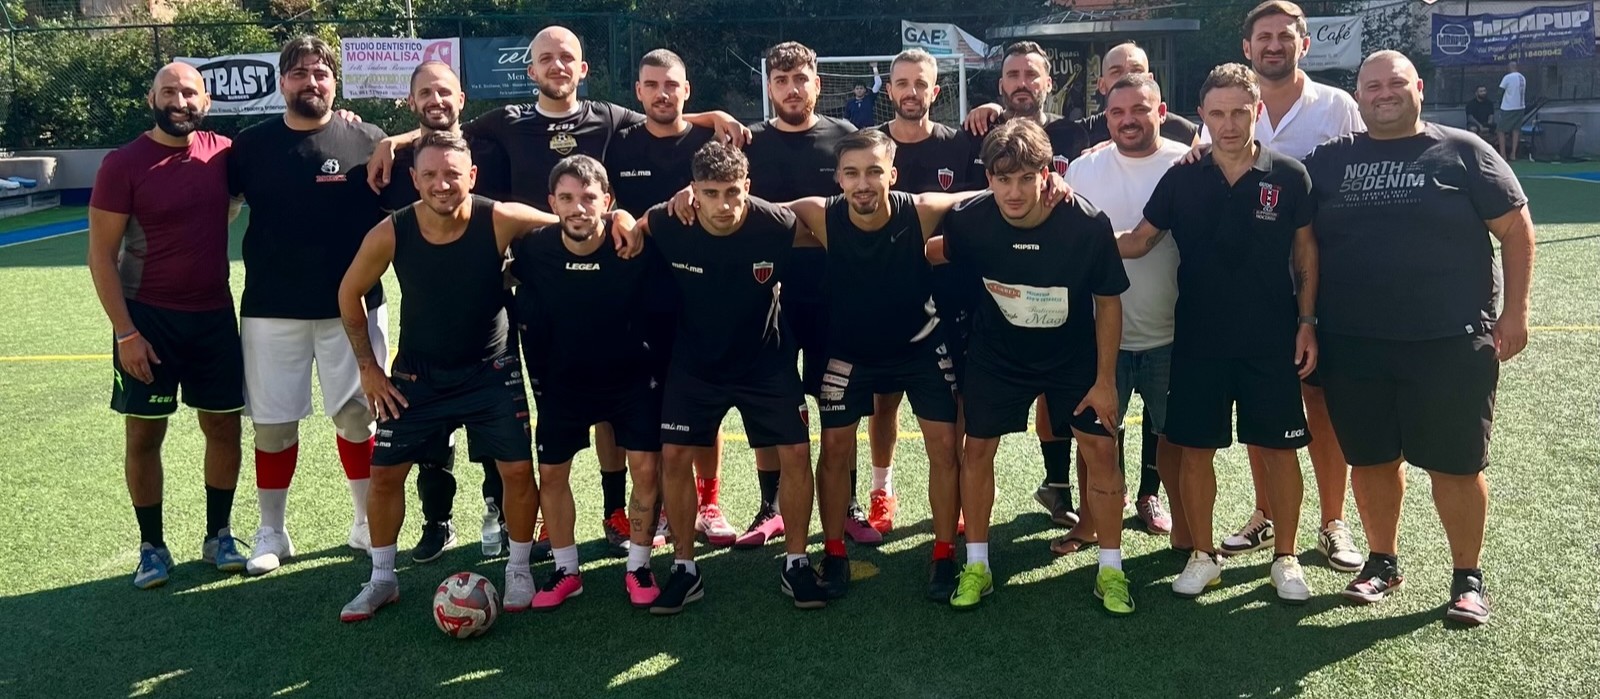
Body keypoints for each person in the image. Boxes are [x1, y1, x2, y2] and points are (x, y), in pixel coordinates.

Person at [366, 29, 749, 558]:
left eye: (567, 57)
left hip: (615, 275)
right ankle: (542, 518)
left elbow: (665, 113)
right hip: (539, 284)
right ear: (531, 71)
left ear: (583, 67)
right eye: (546, 58)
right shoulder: (507, 120)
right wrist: (396, 140)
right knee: (553, 403)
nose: (557, 65)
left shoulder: (607, 116)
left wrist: (712, 118)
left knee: (628, 402)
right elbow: (446, 130)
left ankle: (624, 508)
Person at [1304, 50, 1533, 626]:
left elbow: (1515, 228)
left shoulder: (1463, 151)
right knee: (1372, 460)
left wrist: (1516, 312)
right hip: (1354, 342)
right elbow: (1275, 185)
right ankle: (1382, 562)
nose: (1384, 93)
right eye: (1372, 85)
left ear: (1419, 89)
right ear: (1358, 95)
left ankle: (1467, 578)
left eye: (1396, 83)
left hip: (1449, 340)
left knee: (1457, 466)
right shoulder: (1331, 159)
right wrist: (1200, 149)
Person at [334, 131, 567, 621]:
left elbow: (573, 222)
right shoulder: (392, 231)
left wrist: (621, 219)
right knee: (385, 474)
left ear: (472, 176)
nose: (442, 184)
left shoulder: (498, 218)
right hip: (417, 376)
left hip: (491, 370)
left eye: (453, 175)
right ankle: (382, 579)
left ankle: (518, 569)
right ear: (415, 179)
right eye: (431, 175)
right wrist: (369, 369)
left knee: (516, 472)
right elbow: (348, 293)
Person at [1121, 63, 1319, 604]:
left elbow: (1305, 254)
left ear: (1258, 111)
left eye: (1239, 112)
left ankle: (1286, 557)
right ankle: (1203, 556)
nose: (1229, 124)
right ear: (1201, 117)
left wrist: (1307, 323)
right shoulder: (1182, 177)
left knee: (1279, 451)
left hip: (1270, 340)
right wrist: (1071, 234)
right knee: (1195, 450)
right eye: (1217, 114)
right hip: (1198, 340)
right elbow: (1138, 240)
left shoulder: (1289, 175)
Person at [927, 119, 1131, 614]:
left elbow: (1108, 302)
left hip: (1072, 358)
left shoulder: (1086, 223)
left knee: (1102, 452)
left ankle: (1112, 570)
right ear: (989, 178)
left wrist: (1105, 381)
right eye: (1003, 179)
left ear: (1047, 174)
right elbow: (934, 251)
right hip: (998, 356)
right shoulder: (969, 220)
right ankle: (977, 564)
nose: (1014, 192)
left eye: (1025, 178)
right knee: (977, 450)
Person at [630, 142, 828, 614]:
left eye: (733, 192)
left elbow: (821, 220)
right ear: (693, 192)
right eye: (711, 193)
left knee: (796, 453)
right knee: (674, 455)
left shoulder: (776, 223)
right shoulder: (669, 222)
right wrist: (628, 217)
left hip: (766, 362)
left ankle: (797, 563)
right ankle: (685, 568)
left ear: (748, 188)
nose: (724, 205)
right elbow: (633, 227)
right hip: (695, 364)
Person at [1207, 0, 1366, 574]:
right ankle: (1266, 512)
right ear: (1247, 47)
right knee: (1263, 405)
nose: (1274, 45)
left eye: (1284, 36)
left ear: (1304, 44)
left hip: (1320, 281)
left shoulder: (1337, 106)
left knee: (1320, 402)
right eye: (1263, 37)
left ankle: (1333, 521)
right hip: (1250, 289)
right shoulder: (1231, 105)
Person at [781, 129, 971, 600]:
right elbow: (749, 209)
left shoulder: (920, 210)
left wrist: (1049, 182)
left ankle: (944, 553)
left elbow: (978, 196)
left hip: (920, 348)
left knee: (945, 446)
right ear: (838, 179)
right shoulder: (820, 213)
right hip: (851, 352)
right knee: (834, 447)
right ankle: (834, 552)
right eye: (851, 173)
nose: (862, 183)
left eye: (873, 172)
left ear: (892, 174)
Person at [227, 36, 390, 575]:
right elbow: (222, 209)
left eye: (320, 73)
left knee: (358, 418)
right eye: (298, 73)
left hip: (356, 307)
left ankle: (365, 521)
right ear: (282, 83)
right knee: (273, 426)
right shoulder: (250, 146)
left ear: (335, 82)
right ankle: (272, 530)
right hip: (271, 308)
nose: (310, 82)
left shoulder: (369, 139)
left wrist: (396, 137)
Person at [88, 62, 247, 588]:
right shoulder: (123, 164)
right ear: (151, 99)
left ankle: (218, 535)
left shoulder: (224, 153)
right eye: (169, 92)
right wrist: (125, 332)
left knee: (223, 427)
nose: (180, 101)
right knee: (144, 434)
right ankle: (152, 546)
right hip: (148, 321)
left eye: (190, 92)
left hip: (214, 317)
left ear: (207, 101)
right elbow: (100, 256)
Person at [740, 41, 879, 547]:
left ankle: (849, 503)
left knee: (841, 405)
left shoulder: (846, 139)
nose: (792, 89)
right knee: (770, 402)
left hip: (834, 297)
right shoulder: (749, 141)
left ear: (817, 84)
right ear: (769, 87)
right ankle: (771, 505)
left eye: (800, 79)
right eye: (781, 80)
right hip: (766, 297)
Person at [509, 155, 659, 610]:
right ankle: (566, 570)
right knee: (553, 474)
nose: (578, 208)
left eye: (589, 197)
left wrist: (628, 220)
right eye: (567, 198)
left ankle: (639, 565)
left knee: (646, 470)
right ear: (552, 202)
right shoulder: (533, 249)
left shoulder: (631, 245)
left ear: (607, 201)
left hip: (631, 379)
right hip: (565, 383)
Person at [377, 60, 512, 564]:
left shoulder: (491, 147)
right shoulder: (394, 164)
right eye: (425, 93)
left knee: (496, 435)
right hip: (426, 332)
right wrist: (390, 142)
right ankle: (438, 521)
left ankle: (498, 512)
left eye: (445, 92)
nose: (436, 101)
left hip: (489, 321)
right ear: (411, 101)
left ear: (462, 98)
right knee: (431, 440)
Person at [1051, 73, 1189, 558]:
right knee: (1094, 440)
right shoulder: (1083, 169)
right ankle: (1089, 524)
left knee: (1173, 437)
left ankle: (1185, 529)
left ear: (1162, 111)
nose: (1128, 120)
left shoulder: (1188, 162)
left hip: (1172, 333)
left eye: (1140, 109)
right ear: (1105, 117)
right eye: (1117, 112)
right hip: (1099, 335)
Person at [605, 49, 738, 547]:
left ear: (687, 90)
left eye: (672, 85)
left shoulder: (711, 141)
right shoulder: (618, 143)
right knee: (643, 405)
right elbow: (599, 196)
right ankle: (655, 506)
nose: (663, 94)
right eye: (652, 85)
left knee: (704, 403)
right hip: (636, 296)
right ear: (638, 92)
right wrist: (619, 215)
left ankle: (709, 503)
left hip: (703, 295)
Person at [863, 48, 987, 537]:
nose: (911, 92)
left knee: (955, 402)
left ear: (935, 91)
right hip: (885, 299)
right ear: (890, 90)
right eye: (902, 83)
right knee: (883, 403)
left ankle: (958, 494)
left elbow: (981, 207)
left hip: (950, 295)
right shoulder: (871, 147)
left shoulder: (960, 144)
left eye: (920, 84)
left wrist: (943, 249)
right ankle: (882, 489)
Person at [1497, 60, 1526, 161]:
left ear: (1510, 67)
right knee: (1516, 130)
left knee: (1500, 130)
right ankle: (1513, 154)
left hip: (1508, 107)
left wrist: (1498, 101)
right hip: (1520, 106)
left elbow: (1500, 90)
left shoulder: (1508, 77)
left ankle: (1503, 154)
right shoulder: (1522, 77)